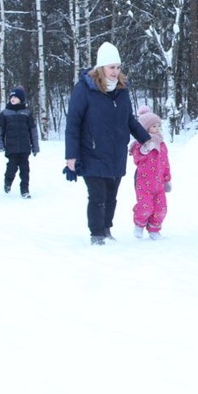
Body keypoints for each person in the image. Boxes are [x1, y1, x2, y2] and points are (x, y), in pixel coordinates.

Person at [64, 42, 152, 245]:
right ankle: (96, 234)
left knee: (111, 196)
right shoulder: (85, 89)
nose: (115, 72)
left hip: (116, 153)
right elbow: (73, 124)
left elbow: (129, 119)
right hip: (92, 152)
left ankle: (106, 229)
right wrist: (71, 156)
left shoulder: (122, 90)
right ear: (101, 67)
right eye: (111, 67)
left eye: (118, 67)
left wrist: (145, 139)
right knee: (97, 196)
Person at [130, 105, 172, 240]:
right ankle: (139, 224)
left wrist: (167, 179)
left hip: (159, 183)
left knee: (161, 208)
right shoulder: (140, 143)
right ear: (145, 128)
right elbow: (136, 159)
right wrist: (144, 150)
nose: (157, 128)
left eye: (159, 126)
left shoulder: (162, 144)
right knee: (145, 206)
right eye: (154, 126)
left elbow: (165, 163)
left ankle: (154, 229)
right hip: (144, 182)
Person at [0, 86, 40, 199]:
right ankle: (8, 182)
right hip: (11, 148)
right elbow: (0, 131)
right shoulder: (5, 113)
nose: (13, 99)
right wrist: (0, 145)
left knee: (25, 170)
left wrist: (35, 147)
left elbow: (33, 131)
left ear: (21, 99)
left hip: (25, 148)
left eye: (16, 97)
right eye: (12, 97)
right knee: (11, 167)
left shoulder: (27, 113)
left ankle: (25, 190)